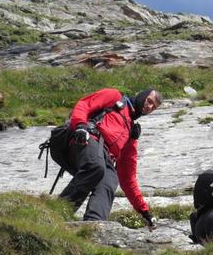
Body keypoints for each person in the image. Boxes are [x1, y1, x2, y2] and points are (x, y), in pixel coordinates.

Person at [59, 87, 162, 228]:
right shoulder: (115, 97)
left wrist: (144, 211)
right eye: (149, 101)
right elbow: (85, 104)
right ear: (142, 95)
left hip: (104, 156)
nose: (149, 107)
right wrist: (80, 126)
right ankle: (60, 210)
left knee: (110, 180)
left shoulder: (132, 132)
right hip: (85, 139)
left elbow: (128, 177)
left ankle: (94, 225)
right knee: (96, 165)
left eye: (153, 107)